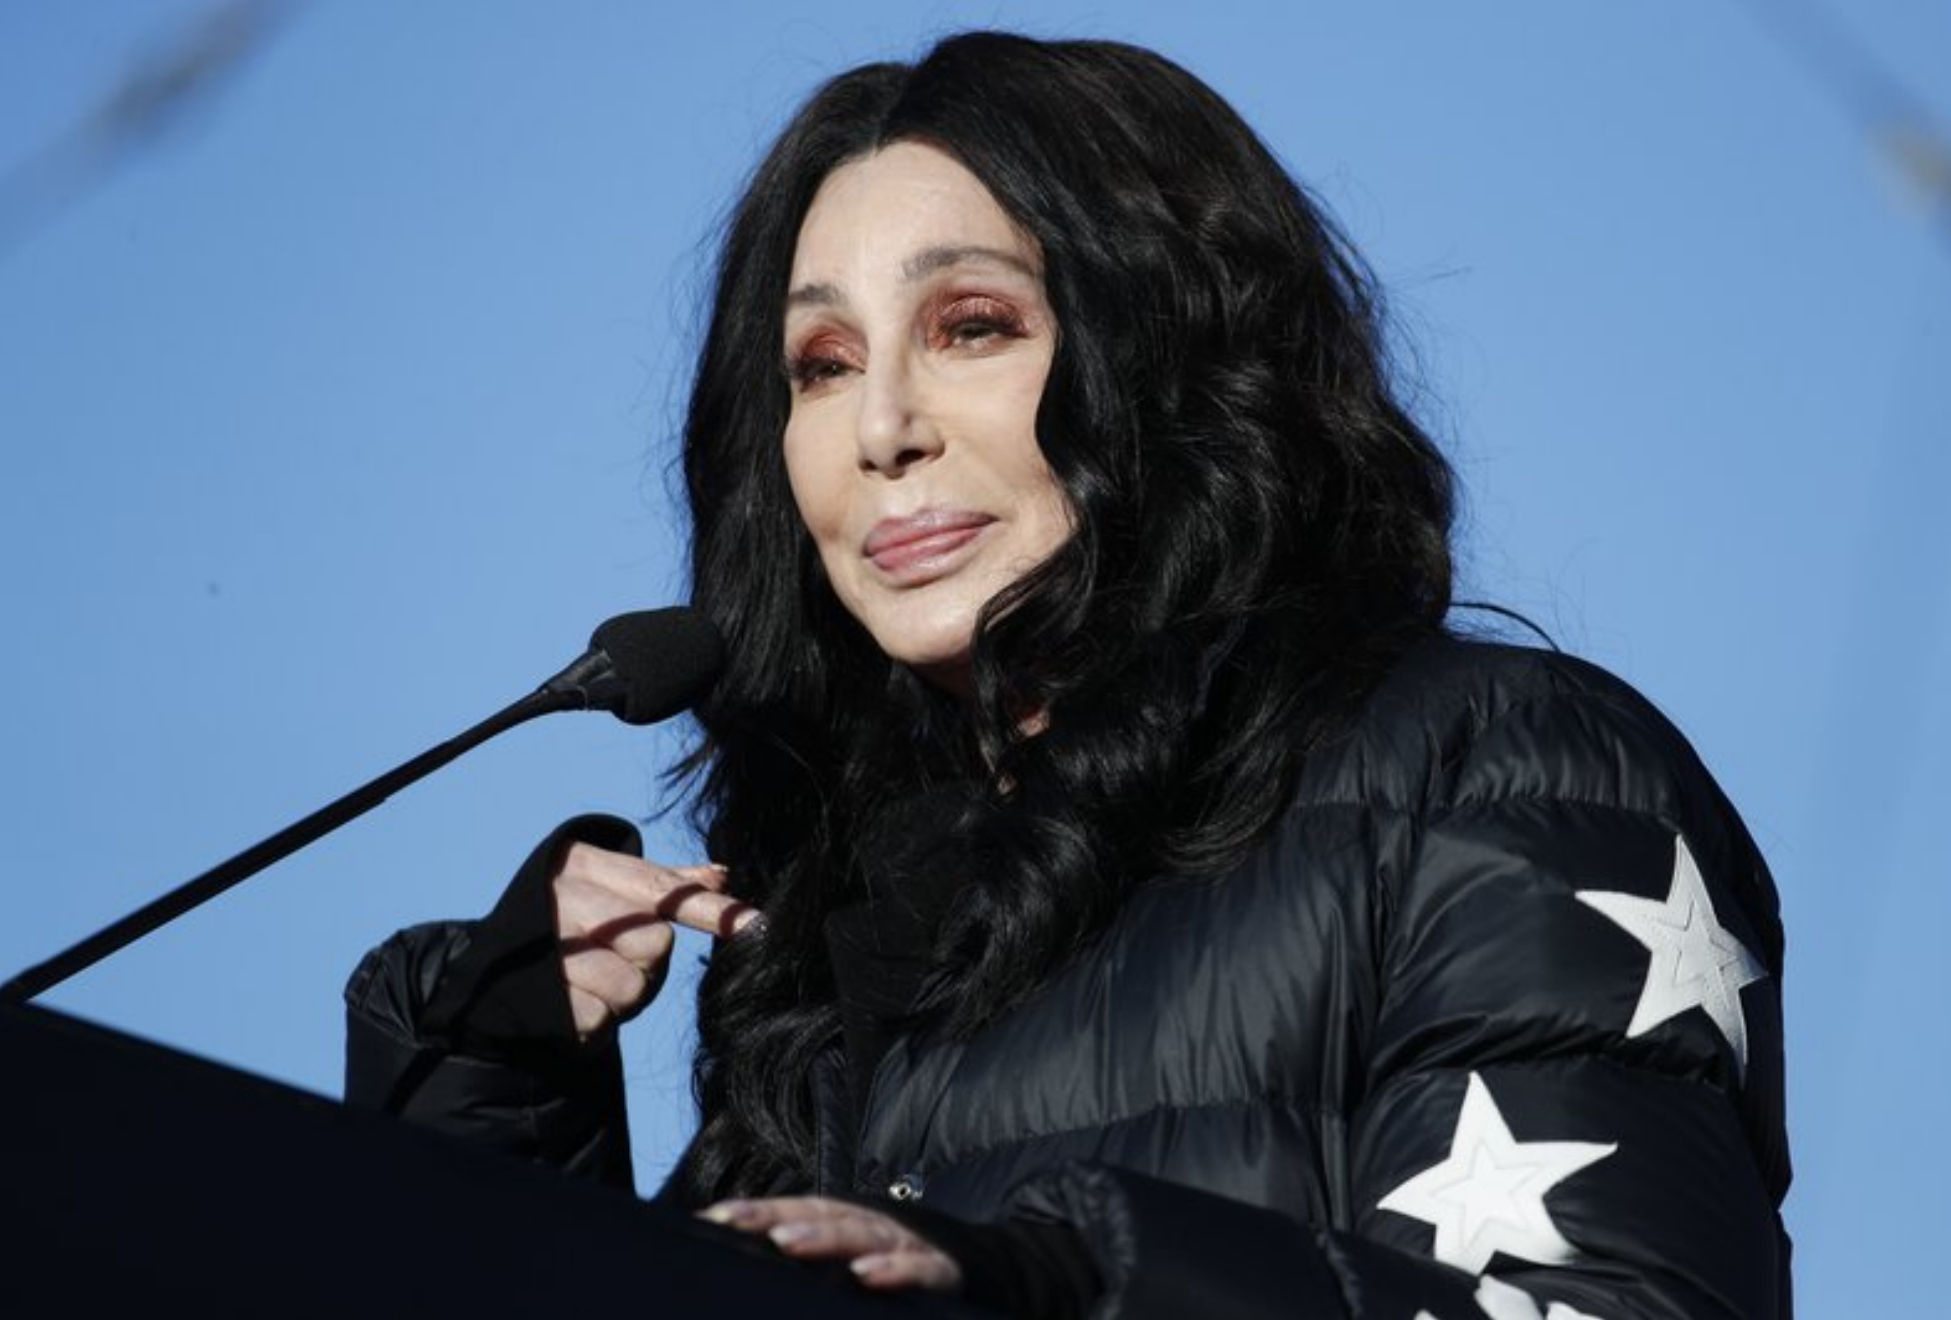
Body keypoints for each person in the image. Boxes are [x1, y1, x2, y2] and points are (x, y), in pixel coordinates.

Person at [345, 31, 1790, 1319]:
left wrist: (1060, 1284)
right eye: (822, 363)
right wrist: (495, 1092)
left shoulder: (1493, 763)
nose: (883, 427)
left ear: (1166, 348)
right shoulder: (830, 945)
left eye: (971, 327)